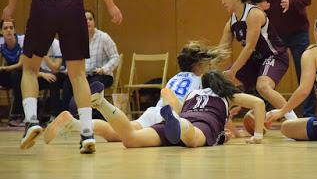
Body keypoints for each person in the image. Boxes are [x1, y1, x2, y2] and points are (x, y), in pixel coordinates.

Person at [1, 0, 123, 153]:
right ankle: (87, 133)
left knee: (29, 69)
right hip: (72, 6)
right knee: (78, 74)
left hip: (42, 6)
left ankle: (31, 120)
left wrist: (10, 6)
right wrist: (111, 5)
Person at [43, 41, 230, 143]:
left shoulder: (175, 78)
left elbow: (167, 92)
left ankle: (75, 124)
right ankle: (84, 116)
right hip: (168, 115)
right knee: (126, 136)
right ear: (199, 65)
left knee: (115, 134)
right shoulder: (199, 82)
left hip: (154, 112)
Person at [79, 71, 266, 149]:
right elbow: (258, 103)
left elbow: (177, 104)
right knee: (192, 140)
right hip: (203, 123)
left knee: (130, 140)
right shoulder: (227, 96)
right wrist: (257, 135)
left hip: (184, 114)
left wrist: (173, 109)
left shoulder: (193, 93)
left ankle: (102, 103)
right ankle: (180, 123)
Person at [219, 0, 297, 120]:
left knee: (263, 86)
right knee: (222, 82)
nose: (222, 2)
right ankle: (224, 122)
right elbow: (220, 52)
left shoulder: (254, 14)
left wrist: (233, 71)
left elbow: (249, 48)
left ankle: (294, 120)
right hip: (255, 61)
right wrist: (203, 65)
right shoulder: (230, 23)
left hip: (274, 56)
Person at [254, 0, 316, 117]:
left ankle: (308, 115)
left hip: (298, 34)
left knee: (304, 75)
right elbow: (250, 1)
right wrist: (258, 5)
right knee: (267, 75)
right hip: (275, 36)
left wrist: (293, 2)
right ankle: (264, 114)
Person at [62, 10, 120, 119]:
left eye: (90, 19)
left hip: (101, 75)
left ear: (94, 22)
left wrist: (103, 69)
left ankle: (94, 116)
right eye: (84, 20)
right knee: (67, 82)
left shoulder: (104, 37)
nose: (88, 22)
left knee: (94, 83)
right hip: (83, 75)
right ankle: (69, 116)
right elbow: (72, 59)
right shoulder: (76, 39)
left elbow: (115, 58)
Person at [0, 20, 24, 126]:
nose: (8, 30)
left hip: (22, 73)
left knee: (16, 74)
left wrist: (5, 68)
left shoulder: (22, 40)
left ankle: (17, 114)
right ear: (1, 31)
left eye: (11, 27)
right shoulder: (1, 42)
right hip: (8, 73)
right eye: (5, 28)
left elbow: (21, 64)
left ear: (14, 30)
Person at [37, 38, 65, 122]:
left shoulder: (56, 44)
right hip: (42, 74)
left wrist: (44, 54)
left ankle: (54, 115)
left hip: (58, 73)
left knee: (54, 79)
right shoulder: (33, 44)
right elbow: (28, 70)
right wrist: (42, 74)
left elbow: (55, 68)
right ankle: (27, 115)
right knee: (25, 79)